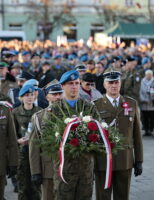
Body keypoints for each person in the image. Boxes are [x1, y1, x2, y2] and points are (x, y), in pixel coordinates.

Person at [42, 70, 99, 200]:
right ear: (62, 86)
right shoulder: (54, 110)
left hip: (85, 169)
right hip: (64, 170)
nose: (74, 87)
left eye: (76, 83)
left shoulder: (89, 107)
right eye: (70, 84)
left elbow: (100, 132)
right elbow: (45, 137)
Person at [94, 70, 143, 200]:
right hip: (103, 160)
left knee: (122, 195)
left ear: (120, 84)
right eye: (110, 83)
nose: (114, 85)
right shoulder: (96, 105)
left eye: (116, 82)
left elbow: (137, 134)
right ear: (104, 85)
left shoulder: (131, 103)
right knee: (102, 196)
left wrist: (139, 160)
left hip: (125, 158)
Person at [29, 80, 63, 200]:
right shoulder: (39, 117)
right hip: (48, 169)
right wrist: (35, 171)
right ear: (47, 96)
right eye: (54, 94)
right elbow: (34, 146)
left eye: (60, 93)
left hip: (69, 169)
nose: (58, 97)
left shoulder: (72, 115)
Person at [12, 84, 42, 200]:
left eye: (32, 95)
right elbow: (11, 133)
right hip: (22, 153)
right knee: (23, 186)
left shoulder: (39, 111)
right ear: (21, 97)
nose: (30, 97)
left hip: (37, 152)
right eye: (26, 95)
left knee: (36, 187)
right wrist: (18, 140)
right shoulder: (15, 112)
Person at [139, 70, 154, 136]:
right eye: (147, 75)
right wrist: (143, 99)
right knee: (145, 117)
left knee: (152, 117)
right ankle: (146, 130)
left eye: (150, 75)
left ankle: (151, 130)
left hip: (152, 103)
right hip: (144, 102)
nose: (149, 76)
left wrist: (152, 98)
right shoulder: (142, 81)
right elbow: (140, 92)